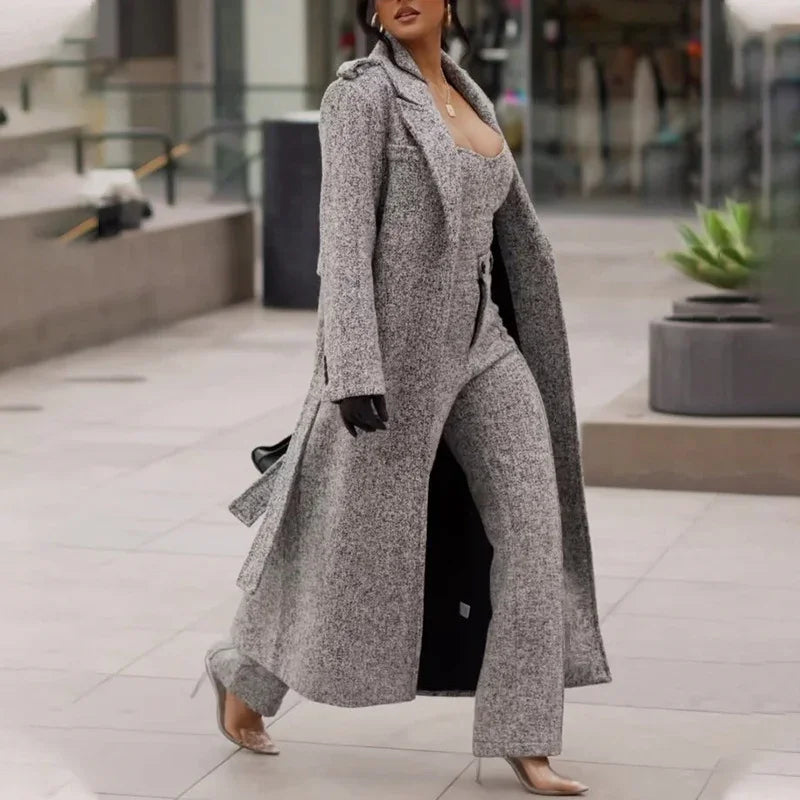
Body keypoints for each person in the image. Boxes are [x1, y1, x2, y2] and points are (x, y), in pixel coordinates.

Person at [199, 1, 612, 795]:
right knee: (342, 546)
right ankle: (243, 673)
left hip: (487, 347)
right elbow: (343, 240)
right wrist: (354, 368)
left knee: (535, 532)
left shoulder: (472, 96)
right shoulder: (360, 98)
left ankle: (526, 736)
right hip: (393, 360)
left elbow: (506, 232)